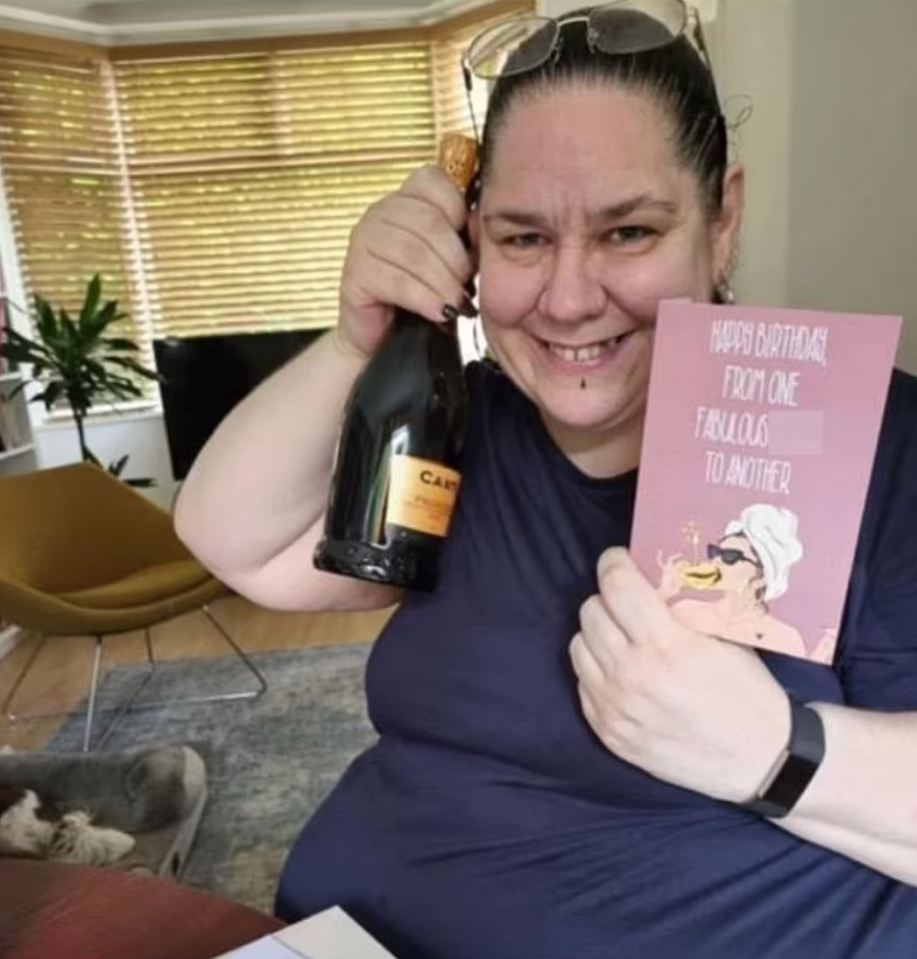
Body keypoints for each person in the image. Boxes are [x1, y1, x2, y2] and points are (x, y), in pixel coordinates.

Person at [174, 3, 917, 956]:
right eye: (522, 239)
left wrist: (773, 748)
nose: (568, 298)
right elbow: (240, 542)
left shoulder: (869, 443)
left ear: (721, 217)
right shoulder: (465, 423)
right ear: (470, 238)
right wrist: (358, 332)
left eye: (629, 232)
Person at [658, 503, 810, 658]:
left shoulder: (783, 639)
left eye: (730, 556)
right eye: (715, 552)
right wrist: (662, 594)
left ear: (762, 577)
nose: (716, 561)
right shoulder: (686, 611)